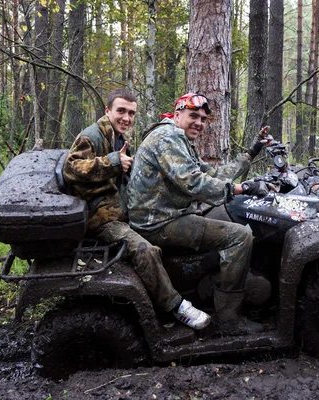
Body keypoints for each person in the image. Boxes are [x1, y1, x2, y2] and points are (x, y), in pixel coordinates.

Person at [62, 88, 210, 330]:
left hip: (119, 211)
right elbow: (71, 168)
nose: (126, 118)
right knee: (146, 250)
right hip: (100, 218)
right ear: (107, 111)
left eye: (131, 113)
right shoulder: (92, 136)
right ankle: (176, 307)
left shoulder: (119, 139)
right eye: (121, 111)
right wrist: (111, 162)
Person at [127, 93, 270, 336]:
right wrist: (241, 188)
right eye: (193, 116)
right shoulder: (168, 138)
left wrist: (251, 153)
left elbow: (212, 174)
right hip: (159, 222)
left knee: (221, 215)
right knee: (240, 236)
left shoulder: (178, 138)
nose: (199, 123)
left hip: (164, 214)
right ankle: (228, 320)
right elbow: (194, 182)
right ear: (177, 114)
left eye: (203, 119)